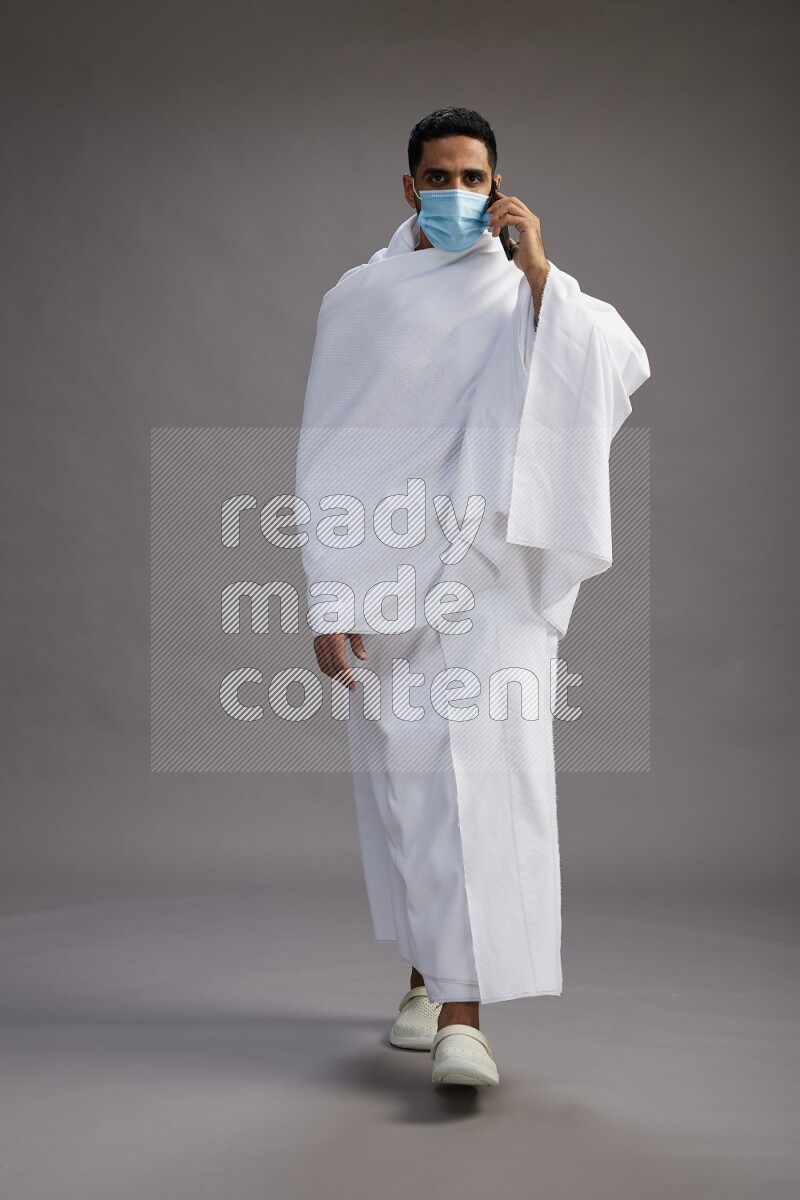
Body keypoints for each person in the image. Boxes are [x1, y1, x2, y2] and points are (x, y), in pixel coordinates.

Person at [295, 107, 650, 1088]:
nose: (456, 194)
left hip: (489, 582)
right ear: (407, 187)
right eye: (438, 177)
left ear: (496, 185)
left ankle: (464, 1016)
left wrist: (538, 271)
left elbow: (614, 363)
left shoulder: (521, 291)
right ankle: (422, 982)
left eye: (473, 177)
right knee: (409, 789)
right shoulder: (360, 301)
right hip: (386, 578)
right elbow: (328, 452)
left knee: (483, 782)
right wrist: (329, 598)